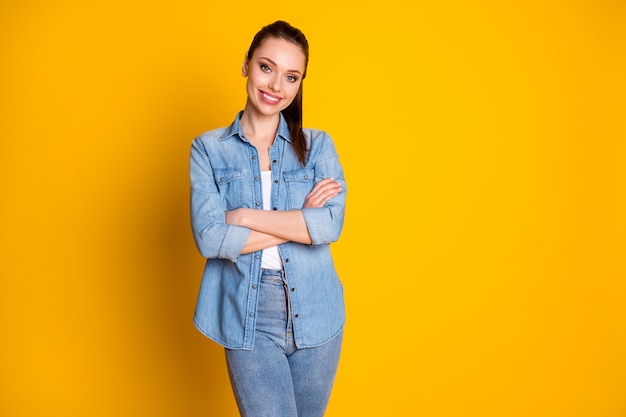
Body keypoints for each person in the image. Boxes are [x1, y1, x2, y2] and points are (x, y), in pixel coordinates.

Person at [189, 20, 347, 417]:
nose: (276, 86)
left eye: (291, 76)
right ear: (246, 65)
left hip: (317, 311)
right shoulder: (208, 149)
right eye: (266, 67)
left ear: (299, 85)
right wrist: (300, 221)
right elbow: (210, 239)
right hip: (249, 312)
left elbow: (329, 227)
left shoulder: (317, 146)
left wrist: (242, 217)